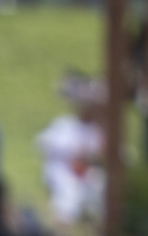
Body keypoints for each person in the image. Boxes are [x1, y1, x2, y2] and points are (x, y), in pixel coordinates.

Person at [37, 85, 106, 227]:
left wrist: (92, 157)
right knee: (69, 190)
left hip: (87, 173)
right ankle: (64, 221)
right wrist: (70, 152)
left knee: (99, 184)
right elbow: (42, 143)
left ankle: (96, 218)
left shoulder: (98, 131)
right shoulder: (65, 124)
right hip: (64, 170)